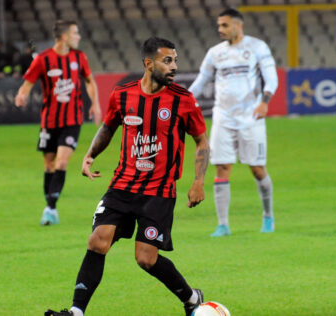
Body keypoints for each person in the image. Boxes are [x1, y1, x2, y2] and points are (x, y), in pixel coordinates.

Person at [44, 37, 209, 316]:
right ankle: (76, 311)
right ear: (148, 63)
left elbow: (201, 141)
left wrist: (198, 181)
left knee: (146, 259)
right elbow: (108, 127)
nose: (174, 66)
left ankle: (192, 297)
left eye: (175, 60)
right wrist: (90, 154)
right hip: (122, 185)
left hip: (158, 191)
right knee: (97, 240)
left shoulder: (183, 100)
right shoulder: (122, 95)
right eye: (167, 60)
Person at [188, 8, 278, 237]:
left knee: (257, 169)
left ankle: (268, 216)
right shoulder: (215, 53)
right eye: (219, 25)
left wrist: (265, 101)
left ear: (239, 25)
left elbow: (271, 78)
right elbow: (201, 81)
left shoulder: (257, 47)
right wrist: (183, 100)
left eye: (225, 25)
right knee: (222, 167)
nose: (220, 30)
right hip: (223, 117)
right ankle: (223, 224)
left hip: (251, 117)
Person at [15, 20, 102, 225]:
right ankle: (50, 206)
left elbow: (89, 81)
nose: (78, 37)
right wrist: (21, 95)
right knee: (49, 164)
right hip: (49, 120)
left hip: (72, 119)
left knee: (62, 162)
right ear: (64, 36)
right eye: (75, 33)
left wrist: (95, 104)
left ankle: (51, 209)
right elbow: (27, 83)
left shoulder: (79, 57)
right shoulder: (43, 59)